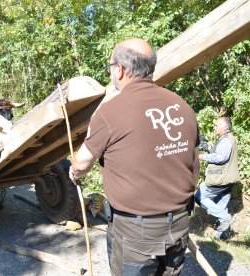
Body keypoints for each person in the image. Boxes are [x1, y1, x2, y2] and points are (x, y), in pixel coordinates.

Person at [69, 38, 200, 275]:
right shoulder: (182, 106)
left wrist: (74, 171)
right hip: (179, 224)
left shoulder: (110, 112)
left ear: (119, 69)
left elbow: (82, 163)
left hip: (136, 233)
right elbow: (194, 163)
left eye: (110, 67)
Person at [194, 117, 240, 238]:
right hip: (227, 179)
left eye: (216, 125)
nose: (214, 127)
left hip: (220, 179)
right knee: (220, 205)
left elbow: (221, 157)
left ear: (225, 127)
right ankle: (222, 234)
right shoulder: (227, 139)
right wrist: (209, 149)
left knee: (200, 196)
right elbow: (221, 154)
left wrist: (201, 156)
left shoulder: (226, 140)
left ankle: (227, 218)